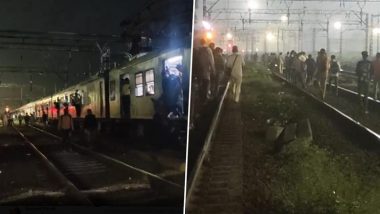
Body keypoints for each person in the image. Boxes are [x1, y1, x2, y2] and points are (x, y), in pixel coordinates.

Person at [197, 38, 215, 104]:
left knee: (200, 85)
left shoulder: (197, 50)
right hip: (206, 71)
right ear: (205, 42)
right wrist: (213, 70)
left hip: (198, 72)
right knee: (206, 84)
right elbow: (211, 61)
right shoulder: (208, 50)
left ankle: (200, 98)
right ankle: (205, 98)